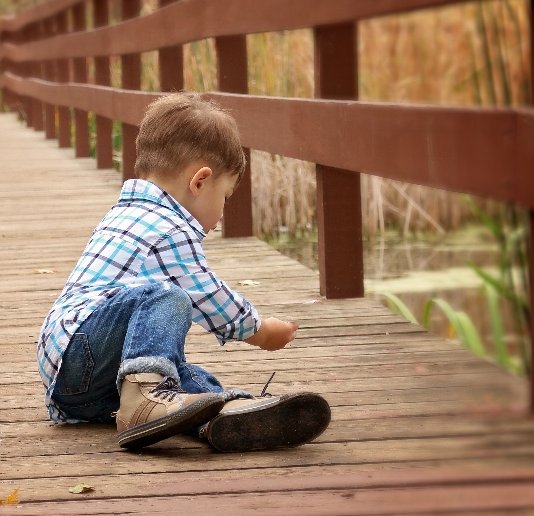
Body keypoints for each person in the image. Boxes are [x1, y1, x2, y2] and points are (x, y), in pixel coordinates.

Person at [37, 93, 330, 452]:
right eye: (224, 196)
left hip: (83, 381)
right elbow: (206, 295)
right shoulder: (167, 229)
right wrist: (260, 331)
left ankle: (220, 412)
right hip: (81, 354)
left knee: (183, 375)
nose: (221, 213)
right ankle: (149, 401)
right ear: (200, 182)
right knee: (166, 295)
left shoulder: (126, 213)